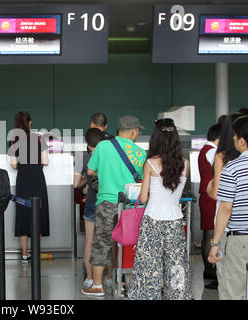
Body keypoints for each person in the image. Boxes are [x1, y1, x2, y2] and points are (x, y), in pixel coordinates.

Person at [127, 118, 192, 300]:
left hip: (152, 221)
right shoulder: (185, 164)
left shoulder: (150, 163)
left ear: (155, 139)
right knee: (176, 269)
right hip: (175, 222)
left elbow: (144, 197)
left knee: (149, 269)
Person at [83, 115, 146, 296]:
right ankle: (124, 283)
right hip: (130, 206)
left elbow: (90, 170)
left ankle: (97, 286)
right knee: (128, 243)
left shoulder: (103, 146)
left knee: (101, 242)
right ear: (134, 131)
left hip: (106, 202)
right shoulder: (140, 153)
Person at [208, 115, 248, 300]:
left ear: (242, 141)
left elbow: (226, 207)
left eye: (234, 137)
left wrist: (216, 243)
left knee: (232, 292)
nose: (232, 140)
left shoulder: (233, 168)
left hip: (241, 240)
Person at [206, 112, 243, 289]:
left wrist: (208, 188)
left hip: (226, 222)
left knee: (227, 276)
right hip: (247, 223)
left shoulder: (222, 156)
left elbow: (218, 193)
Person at [8, 111, 50, 263]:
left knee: (23, 215)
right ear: (30, 122)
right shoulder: (40, 138)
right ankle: (36, 253)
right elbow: (46, 162)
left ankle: (25, 254)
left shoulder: (13, 139)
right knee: (38, 214)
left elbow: (13, 164)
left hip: (23, 180)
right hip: (38, 179)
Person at [74, 124, 112, 290]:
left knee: (89, 242)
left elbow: (76, 184)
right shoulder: (109, 153)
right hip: (109, 203)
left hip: (91, 202)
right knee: (109, 241)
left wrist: (85, 181)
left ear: (88, 144)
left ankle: (89, 278)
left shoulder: (82, 157)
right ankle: (109, 278)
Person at [197, 123, 221, 289]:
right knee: (211, 233)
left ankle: (208, 270)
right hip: (212, 194)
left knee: (207, 233)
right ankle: (211, 271)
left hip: (205, 194)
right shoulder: (213, 151)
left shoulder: (204, 149)